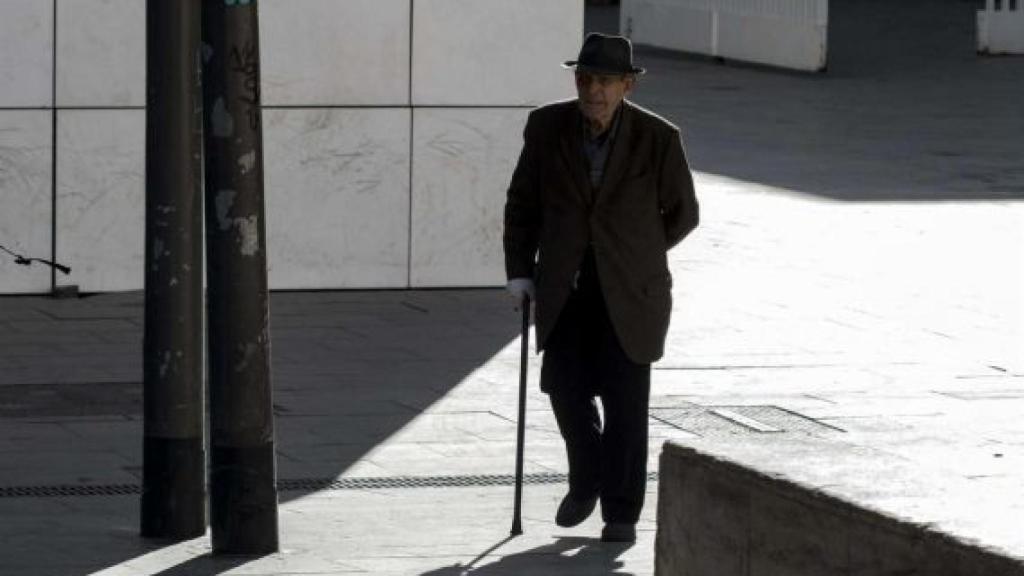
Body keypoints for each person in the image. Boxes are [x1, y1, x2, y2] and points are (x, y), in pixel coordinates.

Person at [502, 33, 699, 543]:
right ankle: (587, 474)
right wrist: (520, 271)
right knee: (564, 388)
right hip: (566, 285)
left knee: (626, 405)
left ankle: (621, 513)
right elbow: (522, 205)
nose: (594, 90)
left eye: (606, 81)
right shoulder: (546, 127)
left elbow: (683, 214)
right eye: (586, 78)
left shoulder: (658, 138)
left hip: (632, 292)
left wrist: (635, 253)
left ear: (627, 86)